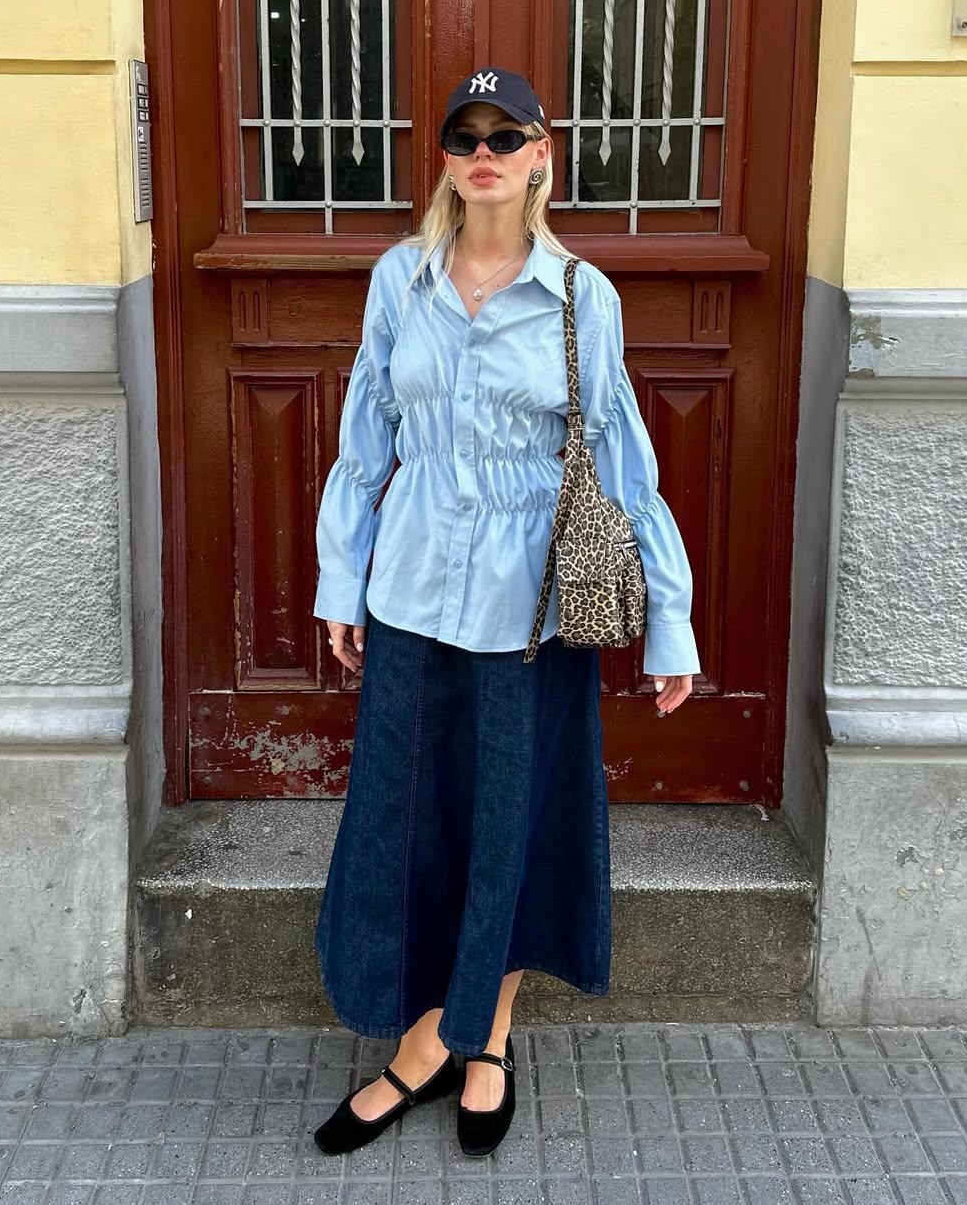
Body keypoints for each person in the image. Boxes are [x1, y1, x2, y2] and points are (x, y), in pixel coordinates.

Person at [309, 67, 700, 1157]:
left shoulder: (583, 299)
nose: (483, 151)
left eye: (506, 133)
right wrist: (342, 583)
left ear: (541, 156)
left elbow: (623, 467)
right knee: (410, 819)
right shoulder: (402, 279)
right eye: (463, 133)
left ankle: (469, 1046)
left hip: (530, 615)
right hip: (413, 598)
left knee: (513, 827)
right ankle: (440, 1032)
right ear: (443, 158)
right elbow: (362, 444)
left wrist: (668, 622)